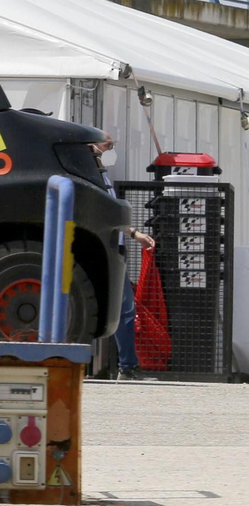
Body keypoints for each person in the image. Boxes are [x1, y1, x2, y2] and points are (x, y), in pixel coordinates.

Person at [93, 131, 156, 380]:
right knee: (121, 309)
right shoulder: (92, 177)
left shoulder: (102, 177)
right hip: (104, 251)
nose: (110, 149)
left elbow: (111, 213)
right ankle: (127, 367)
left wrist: (133, 234)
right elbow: (104, 213)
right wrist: (134, 234)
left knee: (125, 310)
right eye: (107, 145)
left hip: (112, 250)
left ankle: (128, 367)